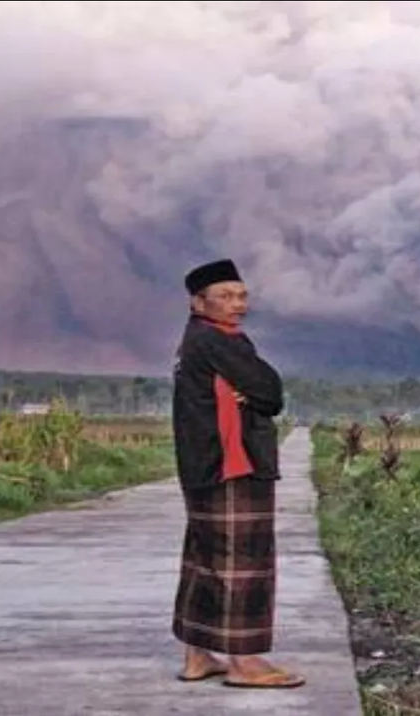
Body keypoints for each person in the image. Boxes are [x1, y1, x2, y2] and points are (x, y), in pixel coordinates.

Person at [169, 258, 305, 689]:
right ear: (197, 302)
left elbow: (259, 391)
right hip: (233, 466)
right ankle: (245, 662)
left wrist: (254, 391)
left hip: (204, 468)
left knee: (205, 559)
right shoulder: (219, 342)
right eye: (225, 296)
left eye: (242, 295)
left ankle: (198, 657)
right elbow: (270, 391)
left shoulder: (196, 340)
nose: (237, 305)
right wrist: (257, 391)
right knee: (243, 563)